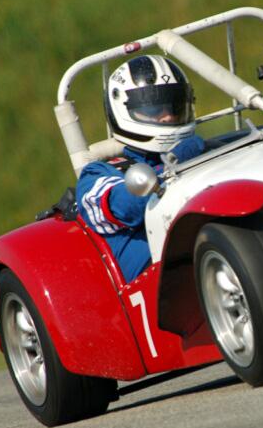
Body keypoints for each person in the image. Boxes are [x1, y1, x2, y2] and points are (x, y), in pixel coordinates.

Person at [76, 55, 204, 282]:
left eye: (174, 106)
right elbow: (129, 206)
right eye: (155, 109)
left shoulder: (200, 149)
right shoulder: (98, 173)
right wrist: (176, 162)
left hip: (207, 250)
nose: (168, 117)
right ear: (124, 110)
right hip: (158, 279)